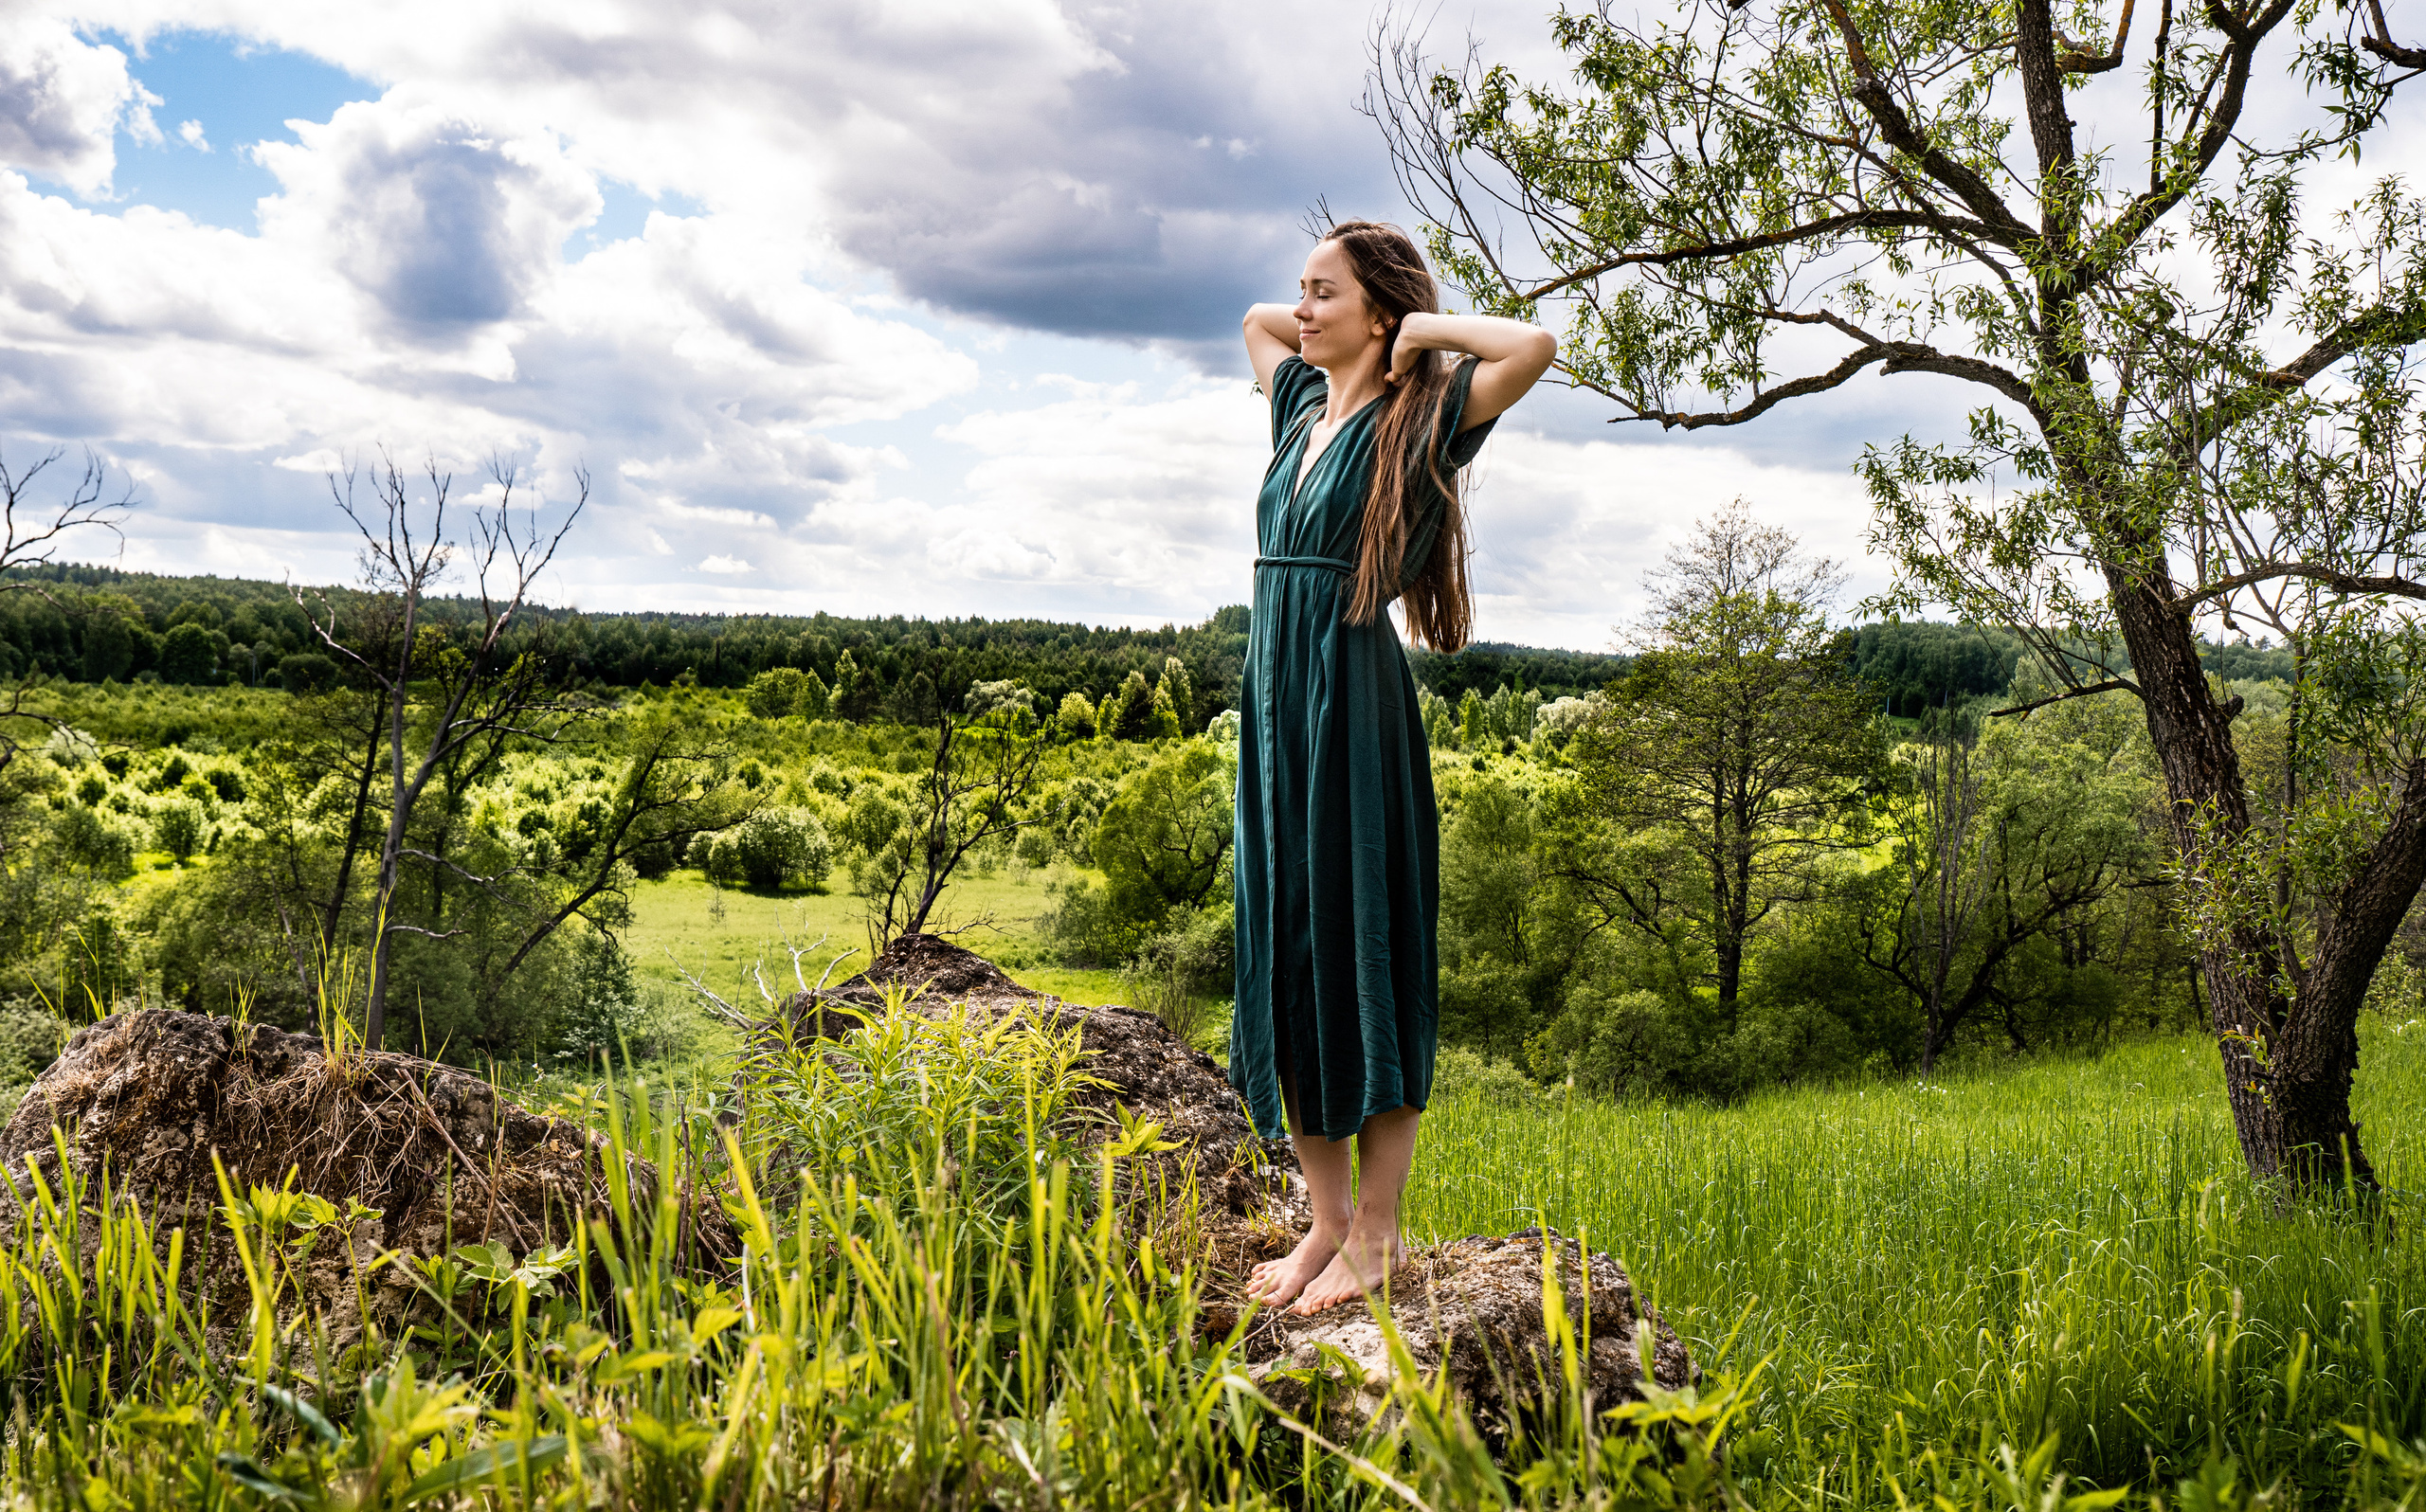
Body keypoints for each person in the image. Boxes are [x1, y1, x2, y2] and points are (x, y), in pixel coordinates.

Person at [1233, 220, 1557, 1314]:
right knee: (1289, 945)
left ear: (1378, 313)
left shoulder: (1419, 421)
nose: (1302, 310)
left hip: (1351, 704)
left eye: (1326, 295)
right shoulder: (1295, 410)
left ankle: (1378, 1233)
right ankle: (1322, 1224)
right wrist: (1344, 312)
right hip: (1275, 704)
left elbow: (1530, 345)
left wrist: (1415, 331)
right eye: (1305, 292)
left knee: (1361, 943)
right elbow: (1254, 323)